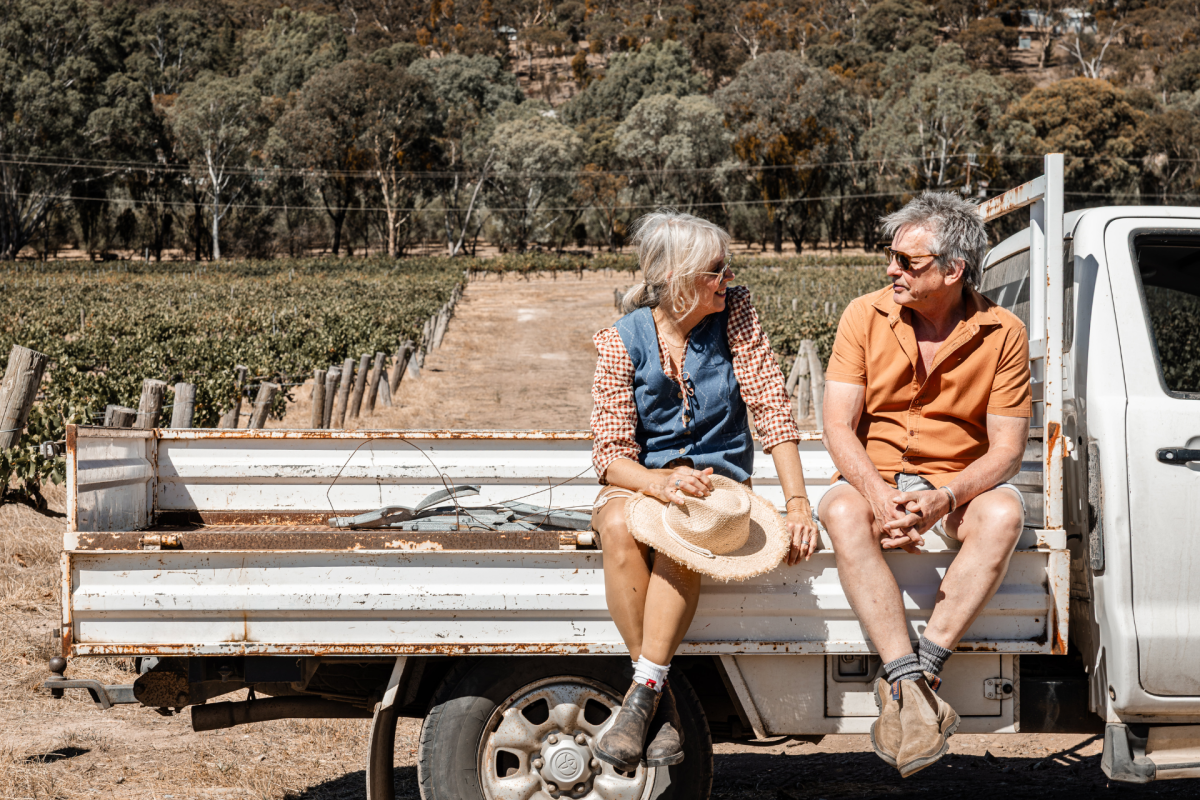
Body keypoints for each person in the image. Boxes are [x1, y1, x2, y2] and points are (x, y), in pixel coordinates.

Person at [588, 209, 819, 772]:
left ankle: (641, 698)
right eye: (716, 269)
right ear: (679, 277)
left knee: (689, 530)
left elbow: (772, 409)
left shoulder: (736, 314)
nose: (729, 278)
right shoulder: (623, 340)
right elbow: (611, 457)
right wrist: (660, 483)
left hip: (714, 487)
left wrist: (797, 504)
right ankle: (657, 700)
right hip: (645, 482)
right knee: (618, 523)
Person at [818, 192, 1031, 778]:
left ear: (952, 269)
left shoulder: (1003, 332)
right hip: (874, 475)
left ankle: (920, 672)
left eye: (907, 262)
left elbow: (1008, 451)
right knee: (840, 508)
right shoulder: (864, 315)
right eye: (891, 258)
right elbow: (837, 425)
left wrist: (945, 498)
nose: (892, 271)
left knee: (1003, 515)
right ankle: (912, 685)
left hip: (956, 482)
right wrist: (880, 496)